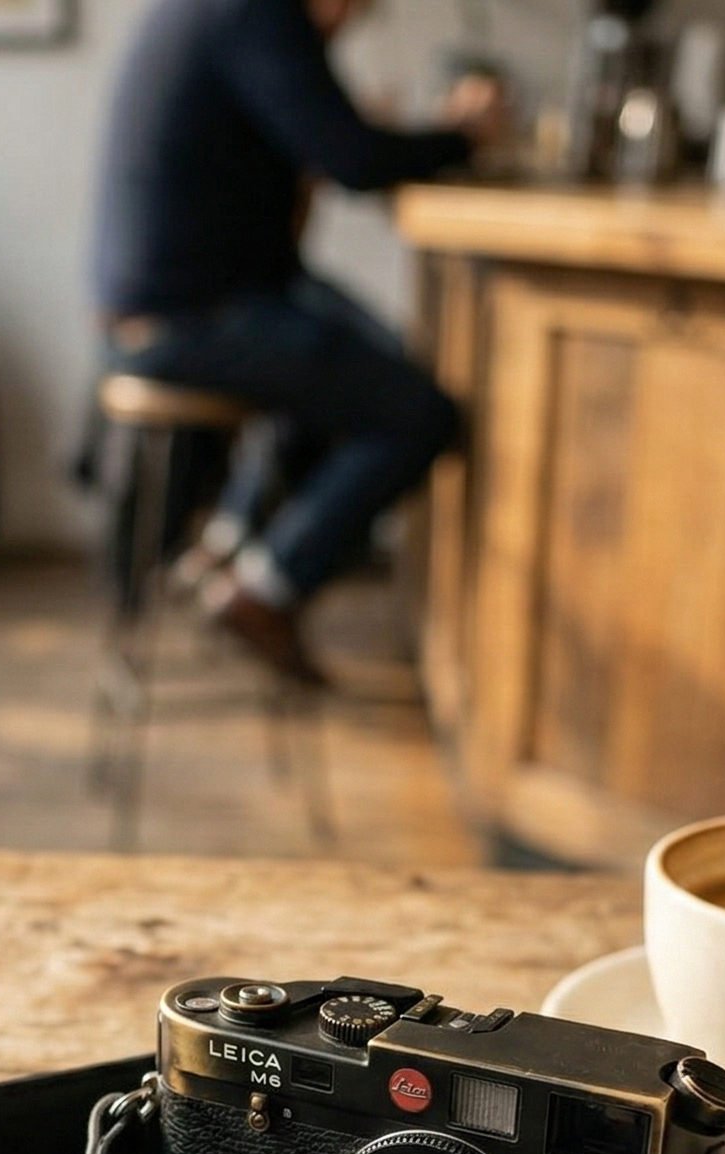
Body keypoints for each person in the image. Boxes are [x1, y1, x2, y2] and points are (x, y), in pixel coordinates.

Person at [93, 0, 507, 684]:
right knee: (419, 412)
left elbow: (323, 143)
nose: (350, 21)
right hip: (189, 317)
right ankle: (265, 587)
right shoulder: (257, 15)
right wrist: (462, 134)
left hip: (177, 302)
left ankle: (229, 550)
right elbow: (354, 160)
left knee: (369, 357)